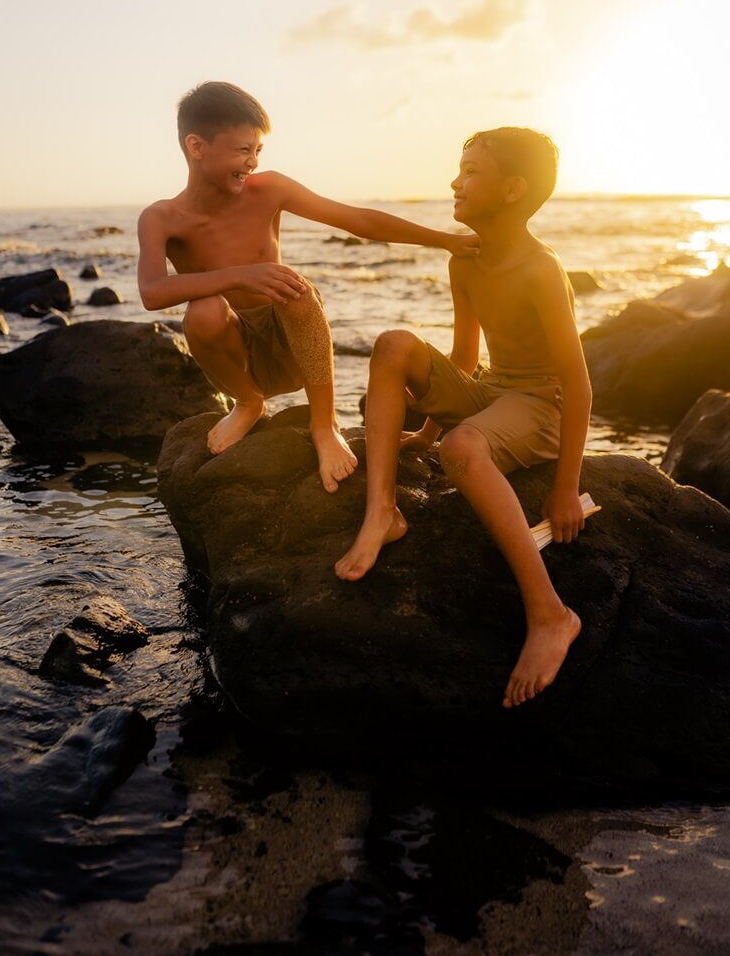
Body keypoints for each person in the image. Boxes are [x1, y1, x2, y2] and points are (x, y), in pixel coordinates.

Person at [335, 127, 593, 709]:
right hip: (494, 391)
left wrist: (567, 487)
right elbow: (464, 361)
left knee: (465, 452)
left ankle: (552, 615)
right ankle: (382, 511)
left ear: (512, 189)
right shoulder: (465, 259)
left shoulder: (541, 268)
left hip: (540, 405)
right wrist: (429, 427)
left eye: (471, 171)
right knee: (394, 342)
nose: (455, 181)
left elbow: (576, 382)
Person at [137, 81, 479, 494]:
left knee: (296, 289)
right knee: (204, 309)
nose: (252, 162)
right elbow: (152, 292)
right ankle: (249, 403)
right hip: (237, 356)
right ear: (197, 146)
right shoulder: (162, 217)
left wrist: (444, 239)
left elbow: (356, 220)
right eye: (243, 150)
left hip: (295, 346)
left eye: (258, 151)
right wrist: (241, 275)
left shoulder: (269, 190)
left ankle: (324, 424)